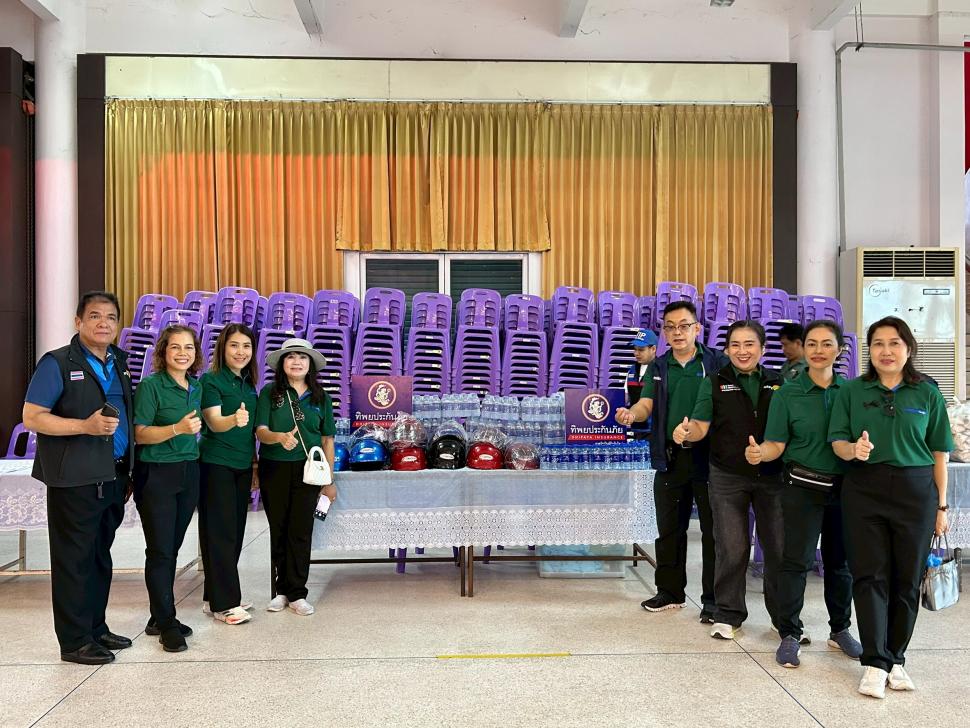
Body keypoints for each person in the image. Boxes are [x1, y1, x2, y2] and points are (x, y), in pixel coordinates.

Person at [829, 316, 953, 699]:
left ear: (908, 348)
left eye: (894, 343)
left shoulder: (927, 392)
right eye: (878, 344)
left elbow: (940, 454)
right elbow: (837, 442)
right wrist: (854, 449)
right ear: (870, 351)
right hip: (864, 489)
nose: (886, 351)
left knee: (907, 579)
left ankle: (896, 659)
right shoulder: (852, 391)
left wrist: (942, 507)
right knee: (869, 576)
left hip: (916, 492)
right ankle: (874, 661)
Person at [22, 291, 135, 664]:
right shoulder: (56, 363)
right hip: (74, 478)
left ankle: (96, 628)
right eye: (95, 316)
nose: (104, 323)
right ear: (78, 321)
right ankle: (74, 641)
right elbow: (33, 416)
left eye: (111, 317)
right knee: (73, 560)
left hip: (113, 475)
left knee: (99, 556)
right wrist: (83, 426)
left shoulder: (120, 361)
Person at [749, 320, 862, 668]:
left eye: (827, 344)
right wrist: (760, 453)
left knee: (840, 563)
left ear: (839, 350)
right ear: (804, 348)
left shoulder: (853, 392)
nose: (818, 350)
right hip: (801, 487)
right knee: (795, 562)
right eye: (812, 343)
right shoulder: (788, 393)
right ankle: (789, 633)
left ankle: (840, 630)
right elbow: (776, 443)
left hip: (845, 488)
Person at [616, 301, 727, 620]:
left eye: (683, 326)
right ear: (664, 332)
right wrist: (631, 414)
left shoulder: (715, 362)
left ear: (697, 328)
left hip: (710, 458)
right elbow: (646, 405)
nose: (677, 332)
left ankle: (714, 601)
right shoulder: (659, 366)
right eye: (670, 327)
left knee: (713, 532)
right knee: (669, 528)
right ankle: (669, 592)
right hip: (670, 457)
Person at [672, 320, 783, 640]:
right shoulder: (715, 382)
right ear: (727, 349)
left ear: (762, 349)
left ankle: (784, 618)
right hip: (727, 475)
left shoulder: (778, 382)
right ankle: (728, 614)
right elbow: (700, 425)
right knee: (732, 547)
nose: (742, 351)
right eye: (735, 345)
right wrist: (686, 432)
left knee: (778, 548)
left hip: (772, 476)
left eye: (749, 344)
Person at [133, 324, 204, 652]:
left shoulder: (196, 386)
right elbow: (140, 434)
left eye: (188, 347)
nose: (182, 353)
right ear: (163, 351)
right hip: (157, 473)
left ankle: (157, 615)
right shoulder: (151, 386)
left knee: (171, 548)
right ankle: (166, 623)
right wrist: (176, 428)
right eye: (175, 347)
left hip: (188, 471)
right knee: (160, 550)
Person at [255, 338, 336, 616]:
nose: (297, 362)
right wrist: (278, 437)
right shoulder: (269, 393)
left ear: (310, 364)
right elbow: (260, 431)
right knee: (279, 528)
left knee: (300, 530)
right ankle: (281, 591)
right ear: (282, 363)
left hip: (308, 470)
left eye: (303, 357)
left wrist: (329, 480)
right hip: (274, 467)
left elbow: (327, 440)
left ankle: (298, 593)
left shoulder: (321, 397)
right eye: (291, 357)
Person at [198, 324, 259, 625]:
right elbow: (213, 421)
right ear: (223, 348)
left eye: (246, 346)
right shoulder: (211, 380)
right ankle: (225, 604)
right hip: (216, 463)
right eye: (234, 345)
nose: (240, 352)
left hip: (242, 465)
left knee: (233, 532)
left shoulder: (248, 384)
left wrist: (255, 465)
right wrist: (233, 419)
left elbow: (251, 433)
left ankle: (214, 596)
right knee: (219, 533)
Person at [625, 329, 658, 440]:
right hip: (636, 429)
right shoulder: (631, 370)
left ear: (653, 349)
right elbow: (626, 397)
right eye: (635, 349)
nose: (636, 353)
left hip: (656, 432)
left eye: (641, 350)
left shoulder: (662, 371)